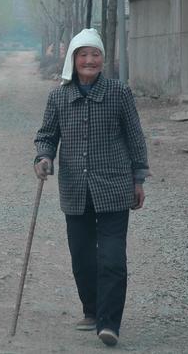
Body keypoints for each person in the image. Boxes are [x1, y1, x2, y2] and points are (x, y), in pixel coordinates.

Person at [33, 28, 148, 347]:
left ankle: (109, 323)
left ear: (102, 59)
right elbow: (46, 135)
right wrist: (43, 157)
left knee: (112, 257)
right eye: (83, 54)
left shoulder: (118, 93)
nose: (89, 60)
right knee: (82, 257)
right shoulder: (58, 96)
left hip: (114, 186)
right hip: (75, 189)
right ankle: (92, 309)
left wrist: (138, 177)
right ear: (73, 59)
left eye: (95, 54)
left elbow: (135, 137)